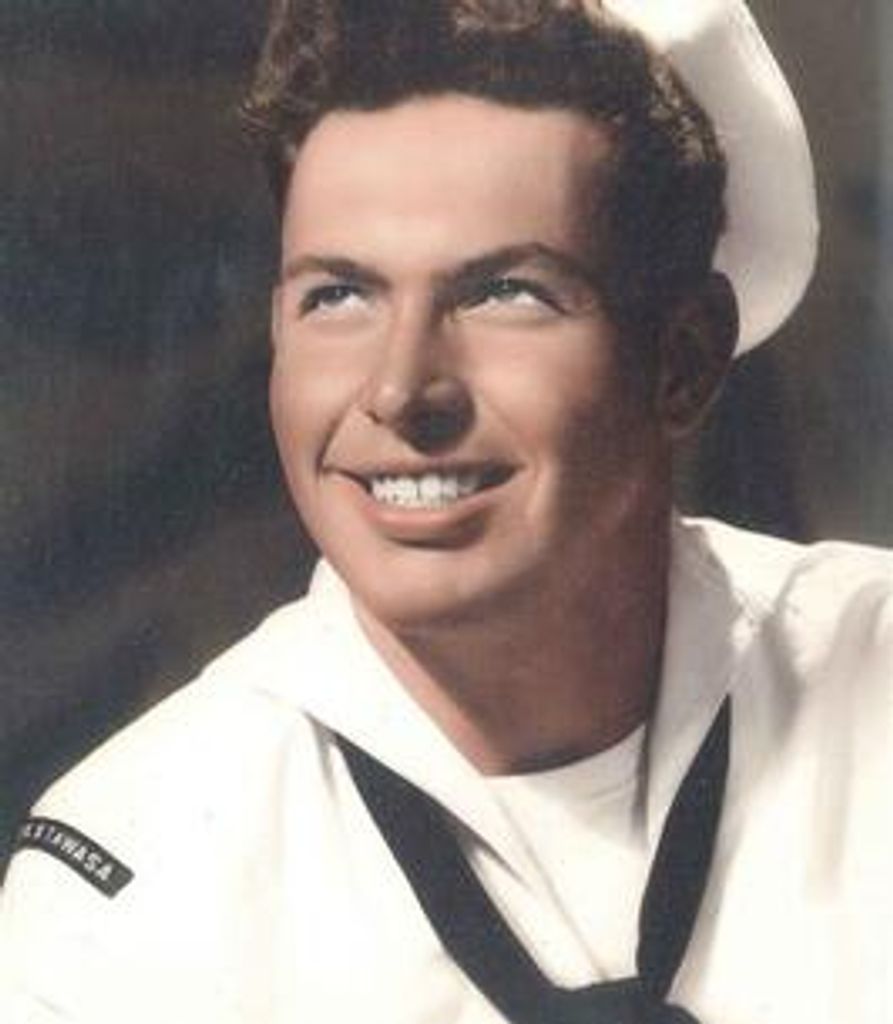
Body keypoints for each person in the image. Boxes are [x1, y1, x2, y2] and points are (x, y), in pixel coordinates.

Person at [1, 1, 890, 1021]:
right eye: (338, 296)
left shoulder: (871, 689)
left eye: (503, 291)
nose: (399, 390)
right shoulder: (133, 888)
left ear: (681, 360)